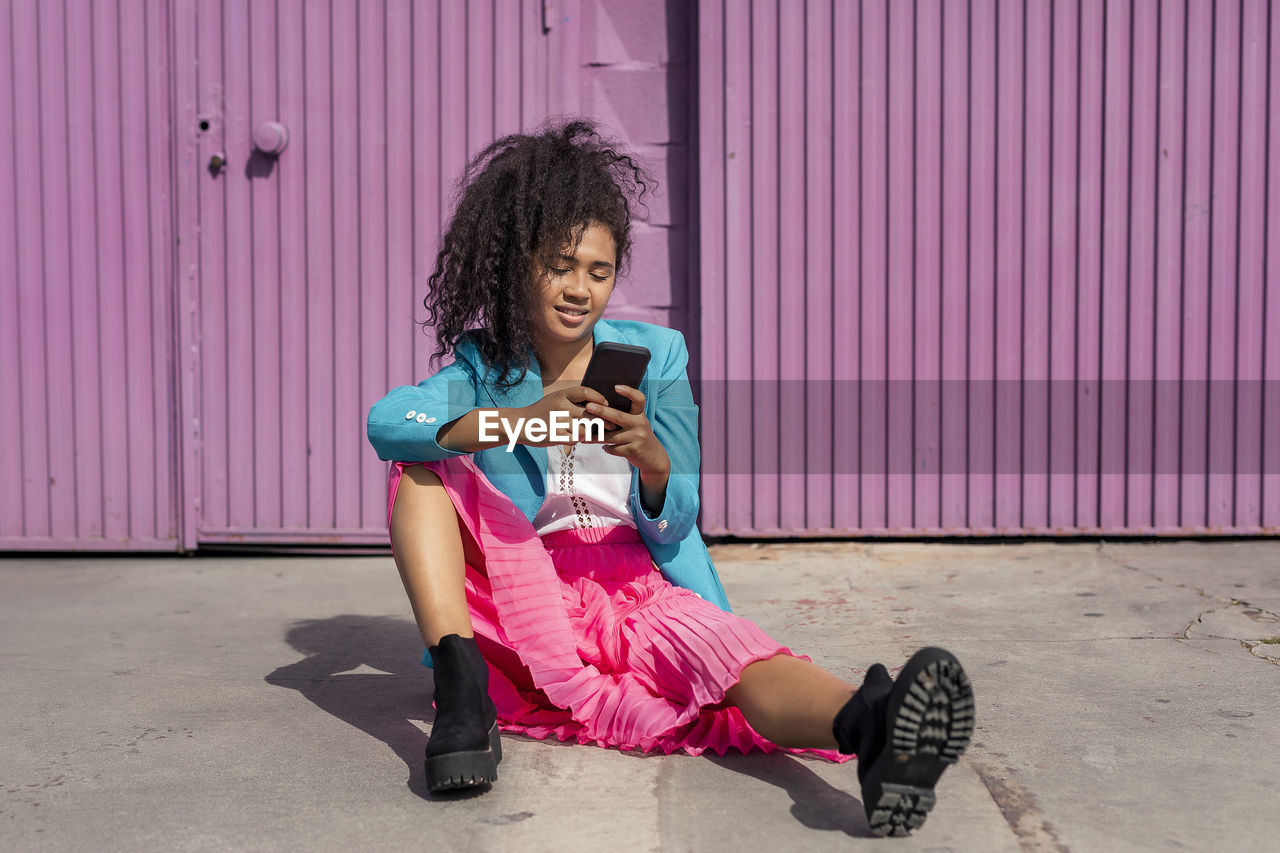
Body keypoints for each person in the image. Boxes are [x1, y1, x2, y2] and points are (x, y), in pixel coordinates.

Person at [365, 117, 973, 837]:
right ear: (518, 261)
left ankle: (873, 723)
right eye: (561, 264)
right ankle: (461, 687)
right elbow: (387, 421)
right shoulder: (482, 367)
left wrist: (653, 460)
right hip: (520, 591)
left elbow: (677, 513)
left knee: (731, 661)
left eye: (600, 270)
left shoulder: (658, 357)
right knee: (421, 469)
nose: (580, 288)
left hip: (633, 582)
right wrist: (522, 417)